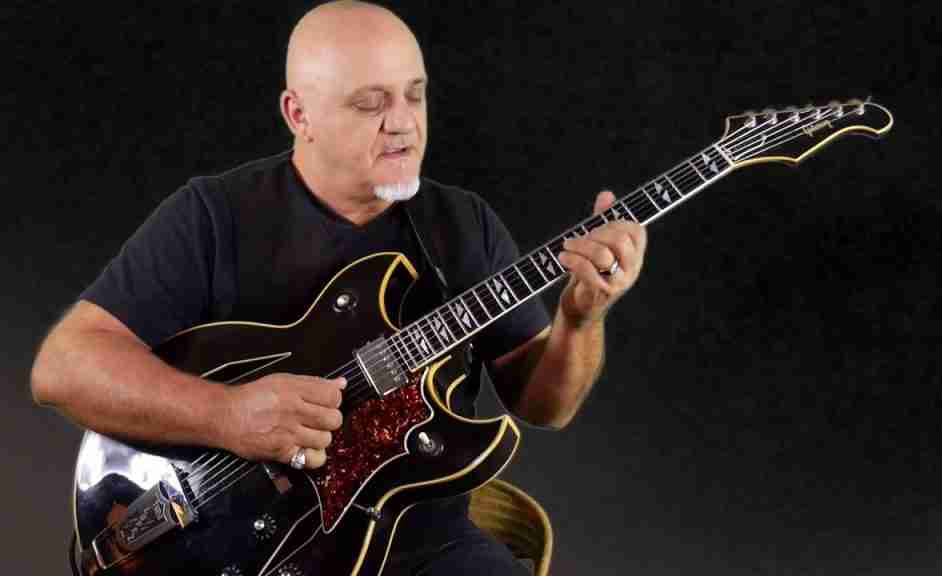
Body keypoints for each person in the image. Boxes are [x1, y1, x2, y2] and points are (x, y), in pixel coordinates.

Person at [30, 1, 648, 574]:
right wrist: (228, 416)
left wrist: (580, 319)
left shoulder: (463, 225)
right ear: (299, 115)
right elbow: (63, 368)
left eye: (415, 96)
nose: (404, 125)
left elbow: (545, 407)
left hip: (419, 542)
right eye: (370, 104)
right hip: (240, 546)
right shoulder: (215, 217)